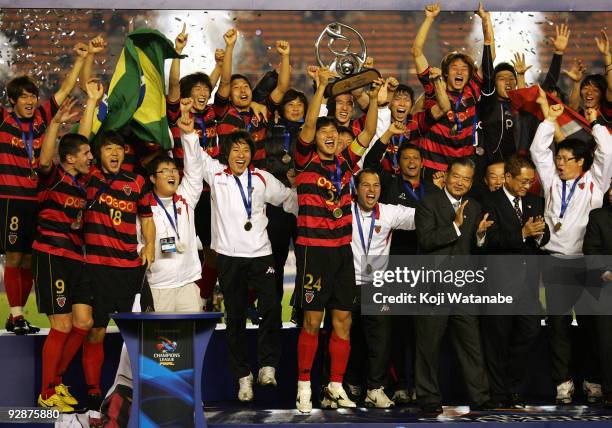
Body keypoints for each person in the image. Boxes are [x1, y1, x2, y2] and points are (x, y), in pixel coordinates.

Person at [192, 101, 297, 400]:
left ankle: (268, 366)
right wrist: (188, 132)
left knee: (272, 308)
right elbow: (196, 155)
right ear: (227, 154)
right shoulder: (216, 175)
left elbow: (289, 200)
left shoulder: (262, 178)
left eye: (246, 150)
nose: (241, 155)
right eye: (235, 150)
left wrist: (305, 195)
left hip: (260, 253)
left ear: (252, 154)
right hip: (228, 256)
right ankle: (242, 376)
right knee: (235, 317)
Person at [293, 68, 381, 413]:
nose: (330, 136)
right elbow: (310, 124)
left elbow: (370, 130)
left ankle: (335, 386)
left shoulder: (345, 162)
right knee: (312, 321)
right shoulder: (304, 161)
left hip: (343, 252)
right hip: (313, 252)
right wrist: (321, 89)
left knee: (343, 320)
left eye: (335, 133)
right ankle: (303, 388)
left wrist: (373, 97)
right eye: (324, 132)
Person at [1, 42, 89, 335]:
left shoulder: (42, 117)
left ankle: (18, 314)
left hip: (37, 198)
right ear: (12, 100)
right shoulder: (3, 120)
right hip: (11, 198)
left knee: (27, 258)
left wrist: (79, 58)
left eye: (32, 96)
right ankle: (15, 315)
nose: (29, 101)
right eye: (24, 97)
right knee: (14, 257)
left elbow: (64, 90)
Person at [530, 92, 612, 404]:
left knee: (594, 327)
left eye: (566, 159)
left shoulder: (595, 181)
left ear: (581, 162)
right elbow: (539, 151)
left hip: (589, 263)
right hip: (556, 261)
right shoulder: (550, 179)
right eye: (559, 158)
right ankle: (563, 382)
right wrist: (549, 119)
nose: (560, 163)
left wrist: (595, 123)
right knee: (558, 326)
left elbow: (607, 150)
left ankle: (593, 380)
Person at [79, 80, 156, 410]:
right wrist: (93, 101)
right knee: (95, 332)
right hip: (97, 268)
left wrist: (148, 245)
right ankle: (95, 390)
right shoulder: (91, 177)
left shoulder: (136, 181)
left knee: (139, 336)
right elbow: (82, 140)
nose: (113, 152)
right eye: (107, 148)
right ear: (98, 154)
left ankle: (144, 390)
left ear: (124, 152)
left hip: (129, 269)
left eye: (118, 148)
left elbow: (147, 217)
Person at [414, 157, 495, 414]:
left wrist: (480, 235)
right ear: (447, 176)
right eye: (456, 176)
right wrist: (456, 226)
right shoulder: (428, 203)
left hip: (464, 289)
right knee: (428, 346)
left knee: (472, 345)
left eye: (466, 179)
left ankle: (480, 397)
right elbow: (426, 241)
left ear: (471, 182)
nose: (460, 182)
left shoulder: (475, 206)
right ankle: (428, 398)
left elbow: (474, 249)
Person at [33, 95, 96, 412]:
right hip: (51, 253)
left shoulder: (83, 180)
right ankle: (47, 392)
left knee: (83, 322)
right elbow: (47, 159)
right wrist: (56, 124)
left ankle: (54, 382)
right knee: (61, 325)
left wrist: (93, 103)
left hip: (76, 257)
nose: (90, 156)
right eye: (85, 154)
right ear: (70, 159)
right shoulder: (53, 176)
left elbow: (80, 142)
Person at [480, 155, 550, 407]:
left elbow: (545, 233)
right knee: (497, 340)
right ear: (508, 178)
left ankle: (510, 382)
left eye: (530, 182)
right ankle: (500, 395)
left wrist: (539, 234)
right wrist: (522, 233)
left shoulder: (534, 201)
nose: (526, 186)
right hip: (498, 283)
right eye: (522, 181)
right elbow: (488, 241)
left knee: (530, 331)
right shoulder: (488, 201)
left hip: (528, 285)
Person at [343, 168, 416, 408]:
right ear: (357, 188)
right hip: (347, 280)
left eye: (376, 185)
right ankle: (340, 385)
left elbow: (422, 216)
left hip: (376, 284)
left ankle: (375, 388)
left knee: (380, 339)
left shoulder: (389, 212)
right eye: (366, 185)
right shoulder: (343, 210)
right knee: (344, 336)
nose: (372, 190)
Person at [411, 2, 494, 178]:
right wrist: (429, 19)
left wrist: (486, 22)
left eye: (464, 69)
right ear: (446, 72)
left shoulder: (472, 89)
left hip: (461, 169)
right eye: (455, 68)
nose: (459, 71)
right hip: (434, 168)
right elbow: (417, 52)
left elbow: (490, 57)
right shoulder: (434, 88)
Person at [583, 184, 612, 409]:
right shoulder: (599, 217)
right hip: (606, 289)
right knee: (606, 342)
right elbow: (591, 251)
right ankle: (609, 390)